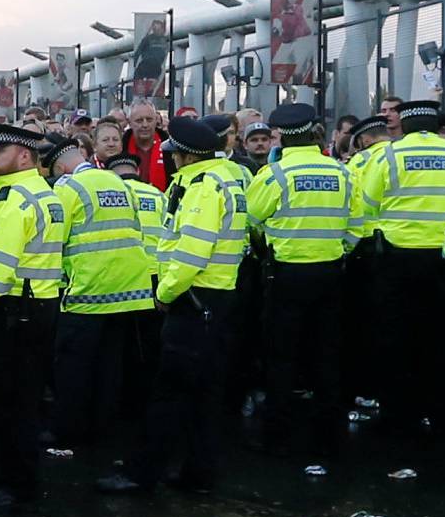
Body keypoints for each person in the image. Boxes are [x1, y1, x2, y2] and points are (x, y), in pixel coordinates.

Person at [98, 116, 247, 495]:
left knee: (169, 392)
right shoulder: (227, 177)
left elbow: (191, 252)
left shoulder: (202, 189)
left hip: (194, 299)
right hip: (218, 300)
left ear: (183, 156)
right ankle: (198, 473)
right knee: (205, 395)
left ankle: (142, 473)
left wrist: (164, 293)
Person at [245, 103, 357, 463]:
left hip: (286, 274)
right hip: (330, 274)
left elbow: (252, 217)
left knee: (281, 358)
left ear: (280, 136)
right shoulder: (341, 172)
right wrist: (339, 249)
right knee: (328, 358)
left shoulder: (275, 175)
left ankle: (275, 438)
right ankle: (330, 439)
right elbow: (356, 223)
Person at [351, 100, 445, 434]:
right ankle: (443, 412)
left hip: (397, 258)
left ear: (402, 124)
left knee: (396, 338)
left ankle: (398, 415)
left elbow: (368, 201)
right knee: (443, 337)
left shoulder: (389, 155)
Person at [0, 122, 64, 512]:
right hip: (36, 307)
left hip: (15, 311)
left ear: (23, 156)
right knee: (23, 401)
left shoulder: (15, 201)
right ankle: (11, 477)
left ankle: (14, 487)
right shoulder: (41, 193)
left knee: (14, 403)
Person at [53, 147, 156, 461]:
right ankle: (104, 427)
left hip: (88, 290)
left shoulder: (68, 187)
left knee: (73, 366)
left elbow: (57, 236)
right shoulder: (118, 183)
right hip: (127, 291)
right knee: (110, 365)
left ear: (61, 166)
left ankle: (68, 431)